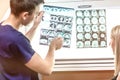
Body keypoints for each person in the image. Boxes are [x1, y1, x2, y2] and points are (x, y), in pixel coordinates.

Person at [0, 0, 63, 80]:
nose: (35, 16)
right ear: (25, 15)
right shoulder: (16, 39)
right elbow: (47, 69)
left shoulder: (3, 29)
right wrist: (53, 47)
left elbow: (19, 46)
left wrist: (35, 26)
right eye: (36, 13)